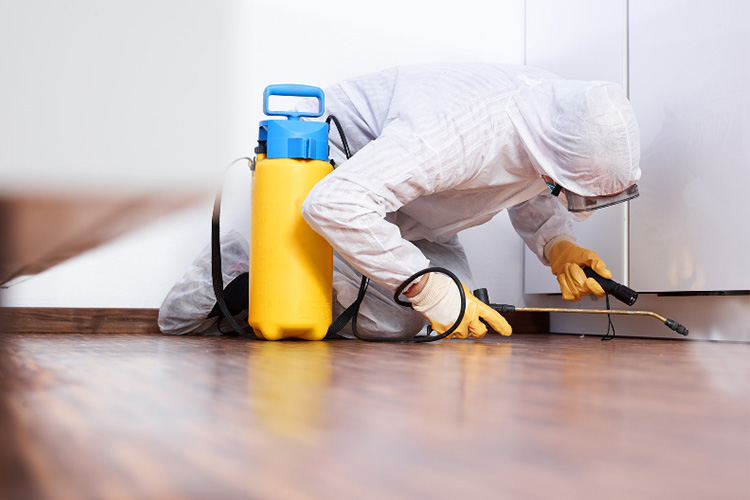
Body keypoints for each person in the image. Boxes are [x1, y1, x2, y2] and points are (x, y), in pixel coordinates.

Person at [158, 62, 641, 340]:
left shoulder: (556, 117)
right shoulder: (457, 134)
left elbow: (529, 176)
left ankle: (313, 281)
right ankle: (243, 270)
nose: (561, 194)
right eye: (565, 188)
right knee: (406, 315)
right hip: (337, 175)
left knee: (450, 313)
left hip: (413, 200)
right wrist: (426, 290)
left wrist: (556, 243)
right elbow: (335, 204)